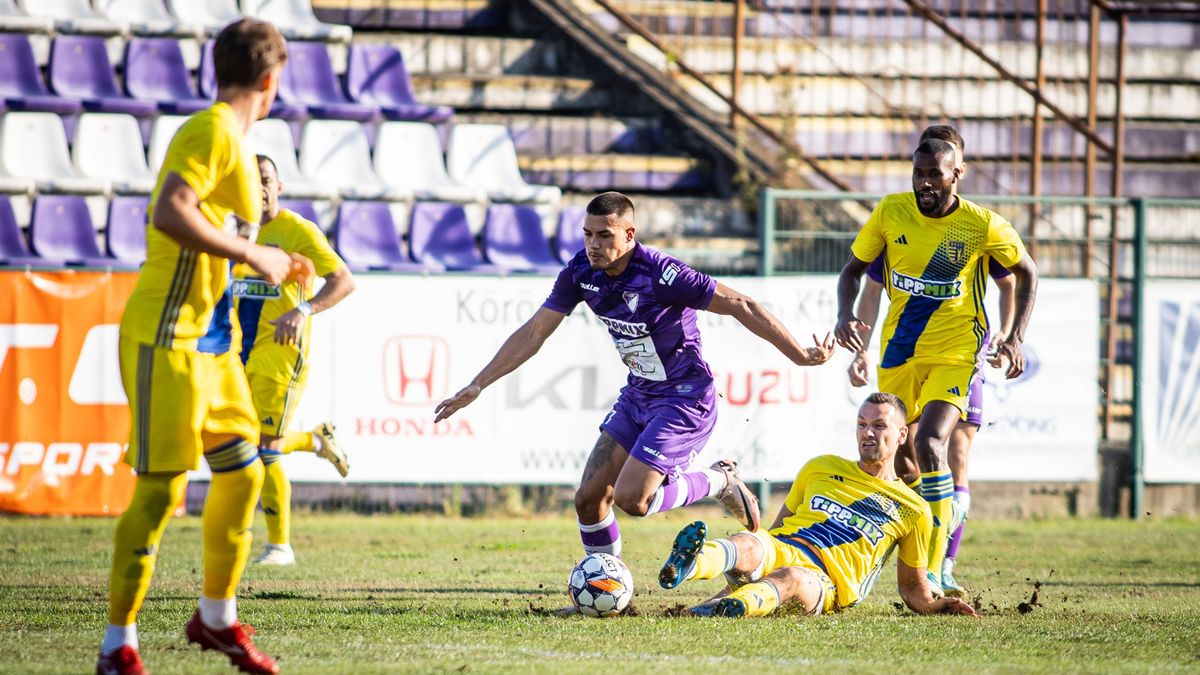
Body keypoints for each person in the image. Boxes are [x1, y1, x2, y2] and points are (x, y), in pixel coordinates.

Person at [434, 191, 835, 566]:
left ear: (629, 234)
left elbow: (739, 304)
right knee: (590, 499)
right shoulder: (579, 273)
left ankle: (718, 480)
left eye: (604, 235)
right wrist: (479, 383)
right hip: (638, 395)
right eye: (587, 234)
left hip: (685, 399)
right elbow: (535, 332)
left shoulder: (661, 273)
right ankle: (607, 582)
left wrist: (800, 355)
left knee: (633, 500)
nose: (593, 244)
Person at [99, 19, 296, 675]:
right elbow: (169, 209)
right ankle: (117, 645)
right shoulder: (210, 130)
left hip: (214, 344)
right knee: (159, 493)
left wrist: (268, 255)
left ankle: (215, 617)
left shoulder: (238, 145)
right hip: (167, 336)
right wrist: (251, 250)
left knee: (243, 473)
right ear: (270, 80)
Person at [834, 137, 1039, 592]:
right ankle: (894, 552)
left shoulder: (981, 225)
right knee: (900, 462)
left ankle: (938, 565)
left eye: (935, 175)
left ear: (957, 174)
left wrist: (1014, 337)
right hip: (899, 353)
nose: (925, 183)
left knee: (932, 443)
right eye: (918, 174)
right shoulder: (891, 212)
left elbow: (1025, 273)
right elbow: (854, 272)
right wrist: (846, 321)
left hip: (956, 354)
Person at [657, 392, 977, 618]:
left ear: (902, 434)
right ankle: (687, 566)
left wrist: (936, 605)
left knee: (792, 578)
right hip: (785, 546)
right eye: (862, 424)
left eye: (879, 426)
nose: (867, 433)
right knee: (749, 543)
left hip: (825, 582)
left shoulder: (913, 508)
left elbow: (912, 589)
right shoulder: (820, 466)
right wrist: (758, 549)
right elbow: (777, 531)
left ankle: (731, 606)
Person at [235, 155, 356, 567]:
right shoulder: (233, 233)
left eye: (266, 179)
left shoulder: (297, 230)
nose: (259, 187)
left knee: (265, 447)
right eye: (252, 180)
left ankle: (279, 546)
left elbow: (344, 279)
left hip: (282, 356)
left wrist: (303, 311)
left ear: (279, 186)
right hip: (237, 351)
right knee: (239, 439)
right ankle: (316, 440)